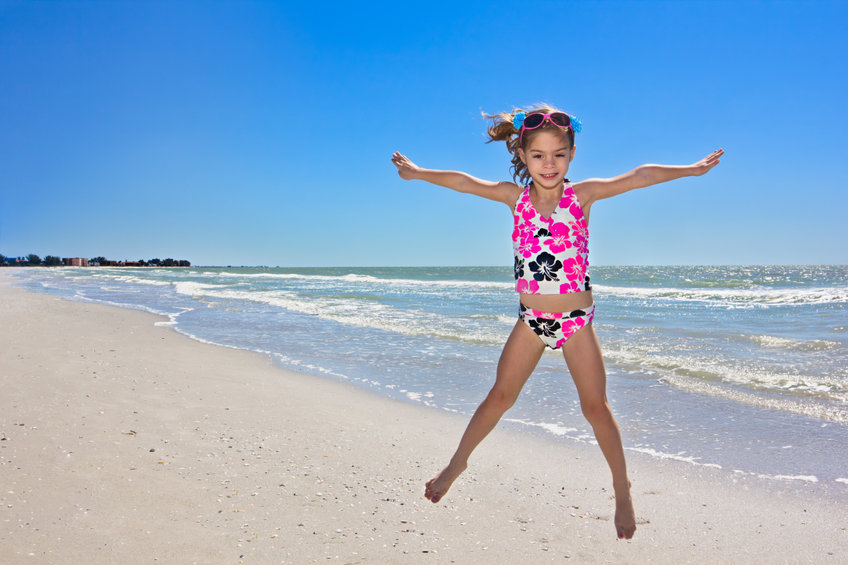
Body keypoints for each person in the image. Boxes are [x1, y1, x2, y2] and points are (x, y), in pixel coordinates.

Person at [391, 105, 723, 540]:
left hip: (575, 321)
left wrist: (690, 170)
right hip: (531, 319)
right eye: (539, 156)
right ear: (523, 156)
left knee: (596, 409)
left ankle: (622, 490)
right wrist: (417, 174)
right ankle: (457, 463)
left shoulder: (581, 197)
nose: (549, 164)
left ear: (571, 155)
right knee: (499, 396)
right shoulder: (516, 199)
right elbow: (464, 182)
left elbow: (640, 175)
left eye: (559, 155)